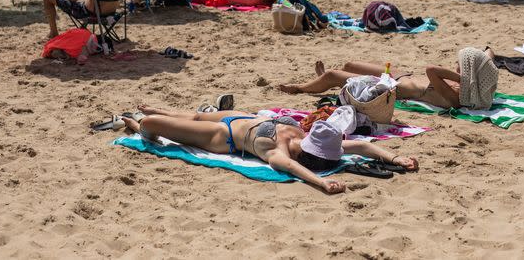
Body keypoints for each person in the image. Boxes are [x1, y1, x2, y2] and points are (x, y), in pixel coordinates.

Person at [120, 104, 418, 194]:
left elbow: (290, 168)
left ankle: (137, 125)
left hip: (222, 136)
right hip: (246, 118)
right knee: (194, 115)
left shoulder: (280, 152)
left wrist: (322, 182)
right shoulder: (320, 141)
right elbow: (364, 145)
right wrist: (395, 157)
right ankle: (160, 110)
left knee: (152, 124)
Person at [279, 47, 498, 111]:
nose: (457, 65)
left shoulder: (457, 96)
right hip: (399, 75)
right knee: (348, 65)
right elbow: (489, 59)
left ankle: (300, 88)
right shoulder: (466, 85)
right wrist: (488, 53)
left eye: (462, 67)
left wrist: (460, 77)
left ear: (469, 75)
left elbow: (431, 69)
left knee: (333, 74)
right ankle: (332, 81)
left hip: (389, 86)